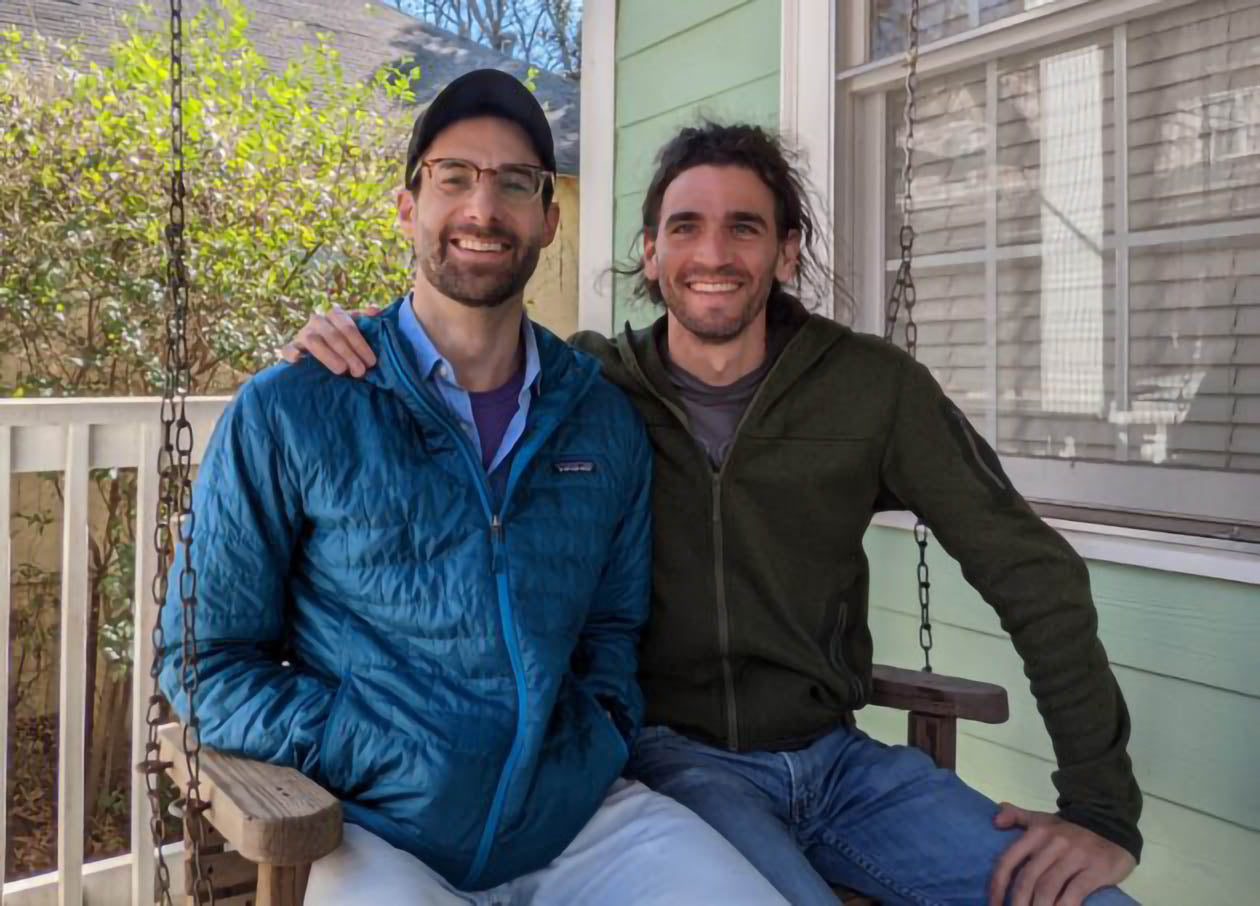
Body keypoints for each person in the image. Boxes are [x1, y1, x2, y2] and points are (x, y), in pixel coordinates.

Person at [281, 120, 1142, 906]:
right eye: (685, 227)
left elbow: (1033, 573)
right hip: (677, 762)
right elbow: (467, 348)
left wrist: (1101, 811)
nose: (713, 253)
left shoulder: (873, 390)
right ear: (650, 254)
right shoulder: (592, 390)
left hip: (843, 762)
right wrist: (359, 338)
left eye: (745, 226)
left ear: (788, 251)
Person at [160, 74, 789, 906]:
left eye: (514, 183)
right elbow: (203, 663)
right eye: (454, 177)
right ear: (407, 204)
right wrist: (358, 745)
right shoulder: (296, 408)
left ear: (548, 218)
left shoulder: (598, 418)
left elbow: (612, 626)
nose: (482, 208)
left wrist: (596, 736)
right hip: (376, 827)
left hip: (576, 818)